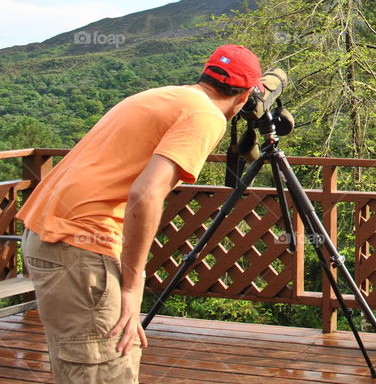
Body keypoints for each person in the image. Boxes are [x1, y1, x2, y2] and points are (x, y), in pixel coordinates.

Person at [18, 44, 262, 383]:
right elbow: (146, 193)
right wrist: (133, 288)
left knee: (93, 360)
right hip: (80, 244)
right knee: (106, 368)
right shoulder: (205, 116)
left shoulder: (165, 95)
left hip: (47, 233)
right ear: (245, 95)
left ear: (204, 75)